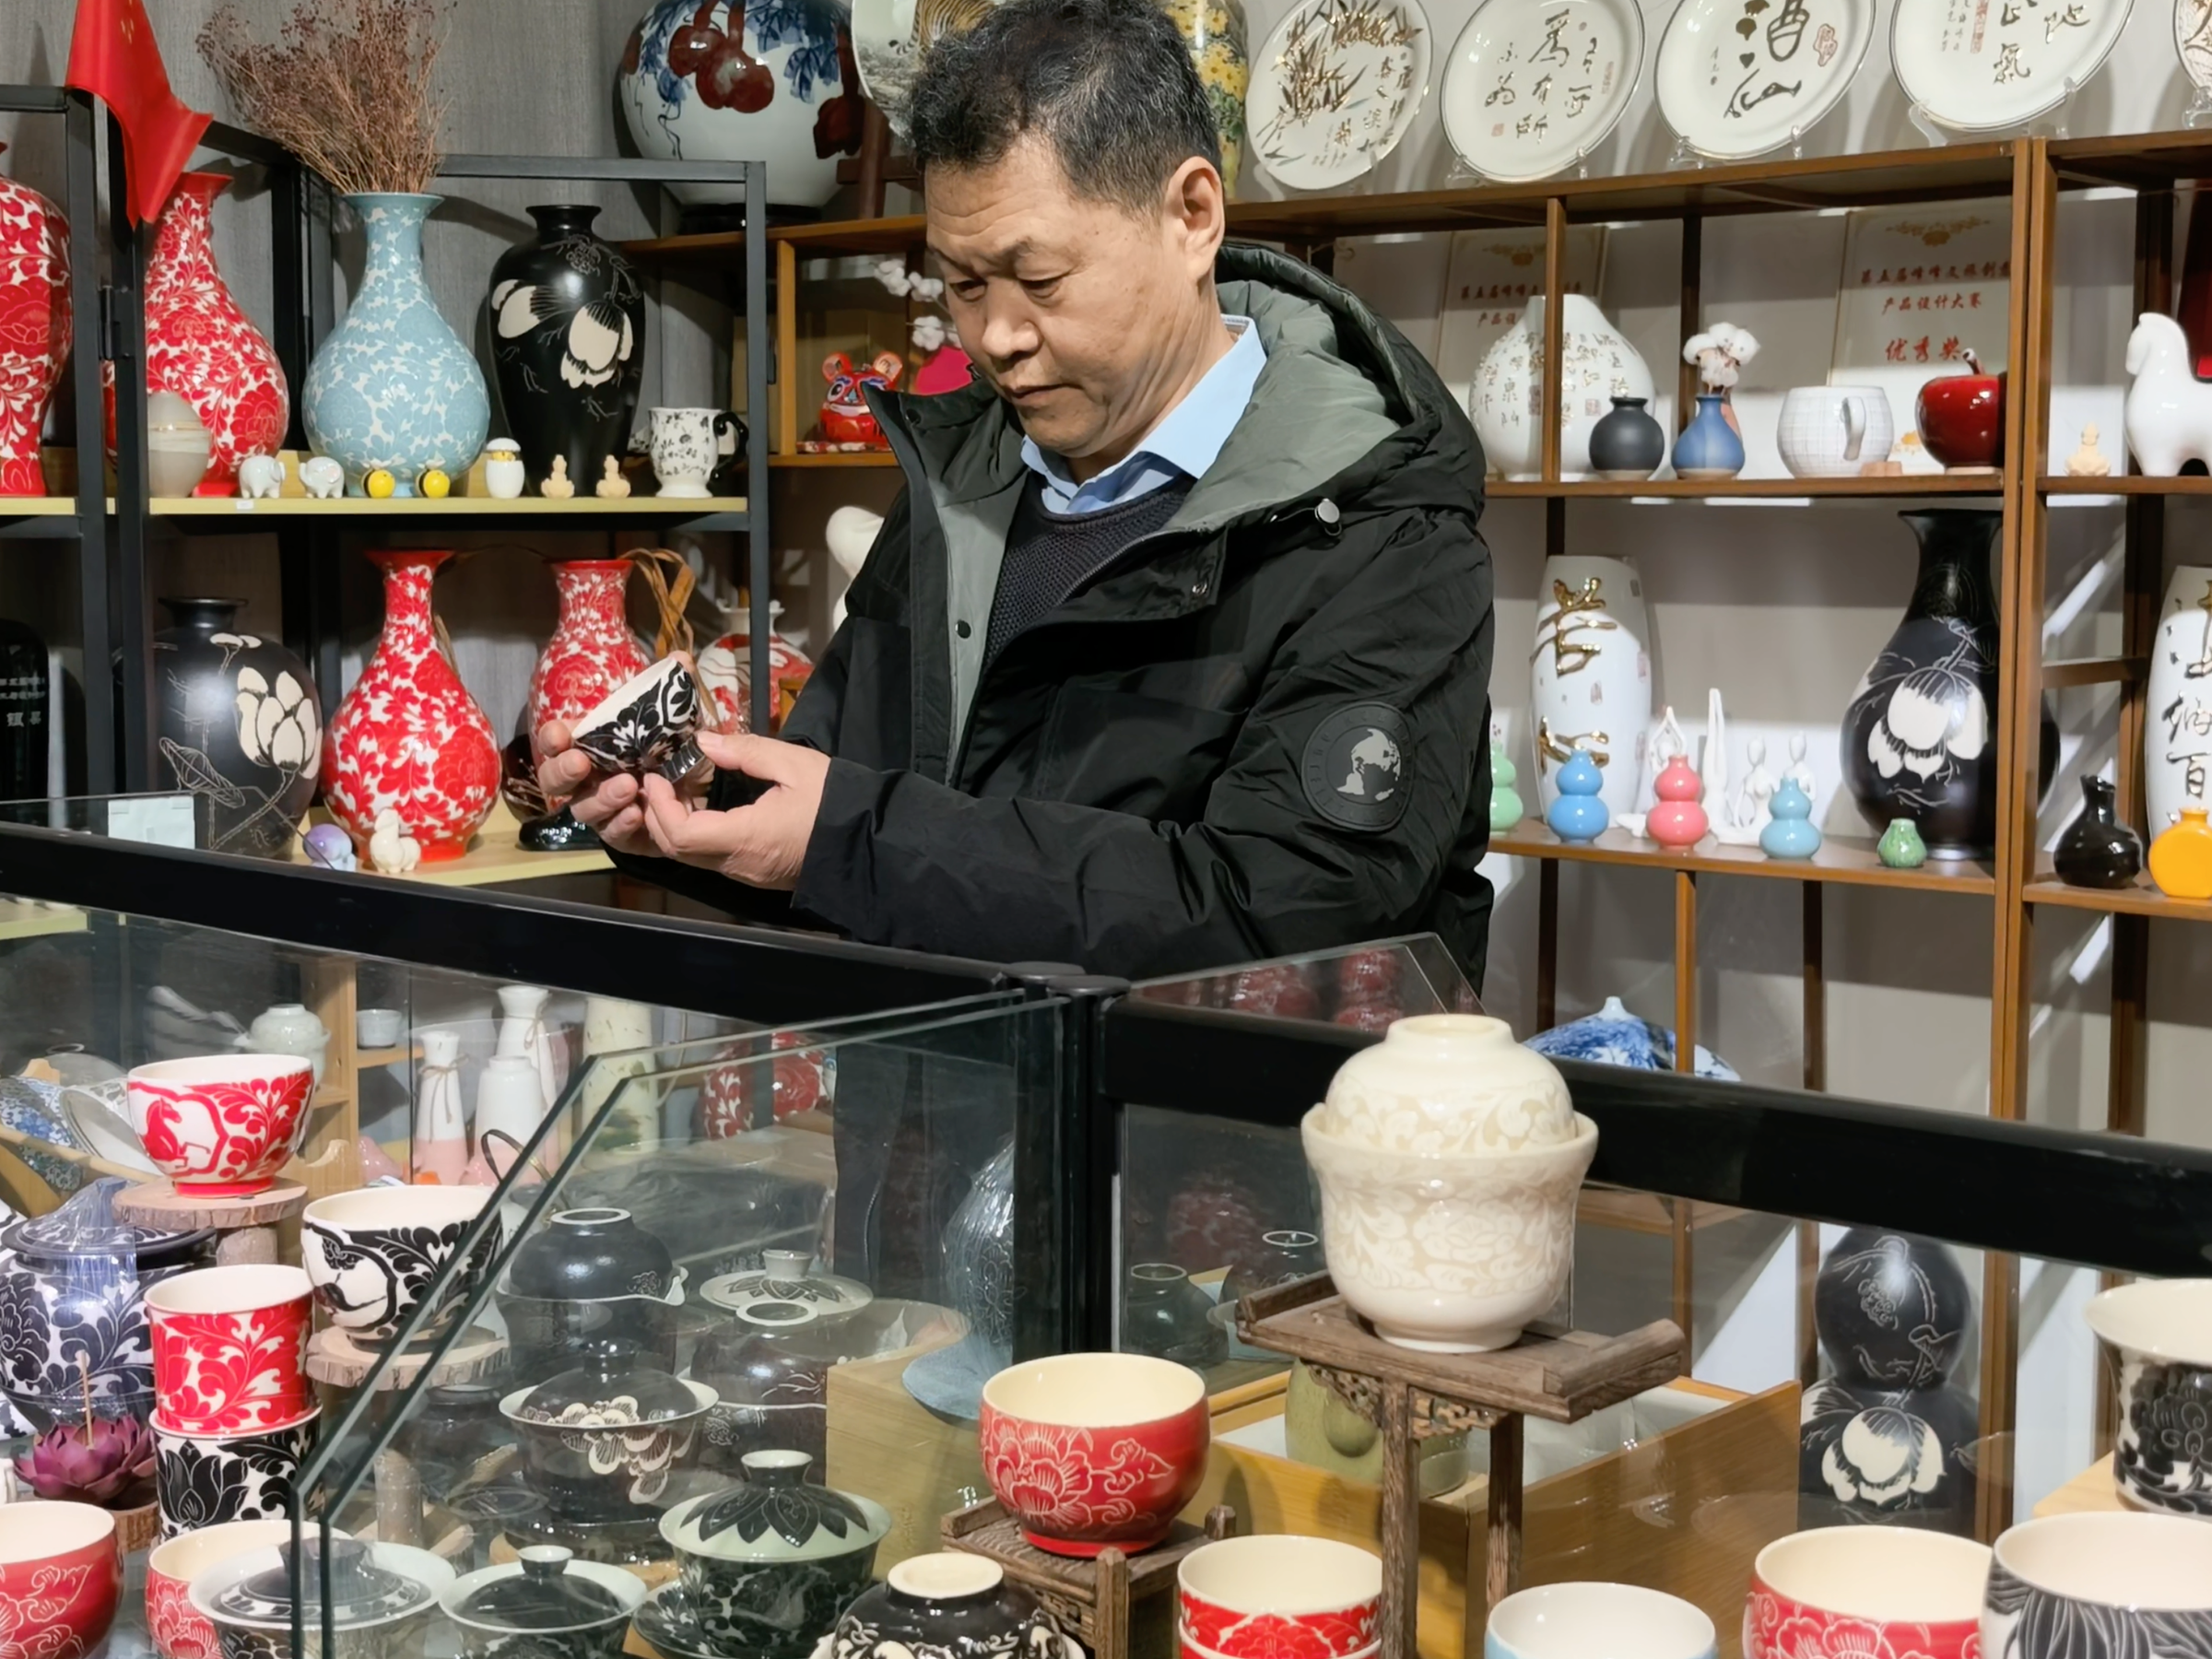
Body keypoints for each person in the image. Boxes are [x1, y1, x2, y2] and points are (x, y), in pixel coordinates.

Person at [538, 0, 1496, 984]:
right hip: (942, 1079)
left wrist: (849, 840)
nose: (996, 337)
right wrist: (694, 806)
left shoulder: (1379, 533)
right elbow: (850, 811)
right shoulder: (962, 483)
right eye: (962, 286)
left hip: (1215, 1092)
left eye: (1039, 280)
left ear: (1192, 216)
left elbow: (1289, 917)